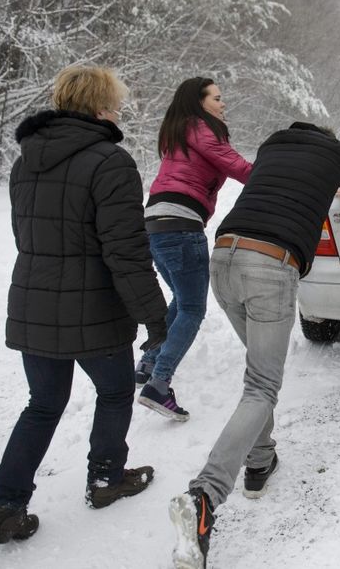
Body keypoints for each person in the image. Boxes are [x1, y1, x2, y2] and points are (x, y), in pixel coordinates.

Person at [168, 122, 340, 569]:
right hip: (270, 264)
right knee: (262, 385)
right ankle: (205, 495)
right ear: (328, 137)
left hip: (224, 257)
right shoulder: (334, 155)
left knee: (256, 375)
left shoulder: (270, 145)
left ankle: (260, 461)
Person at [0, 65, 168, 544]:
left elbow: (26, 235)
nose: (120, 109)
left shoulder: (25, 161)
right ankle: (106, 478)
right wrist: (154, 314)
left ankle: (4, 508)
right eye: (116, 101)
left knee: (42, 405)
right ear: (102, 106)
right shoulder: (111, 161)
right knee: (115, 392)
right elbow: (125, 249)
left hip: (34, 303)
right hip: (95, 309)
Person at [137, 77, 253, 421]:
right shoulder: (202, 129)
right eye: (217, 98)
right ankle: (159, 384)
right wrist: (284, 175)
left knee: (181, 299)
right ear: (199, 101)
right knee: (192, 309)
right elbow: (240, 168)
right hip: (181, 225)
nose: (223, 103)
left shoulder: (180, 129)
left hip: (156, 223)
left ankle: (148, 362)